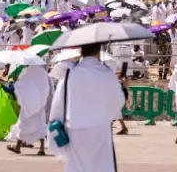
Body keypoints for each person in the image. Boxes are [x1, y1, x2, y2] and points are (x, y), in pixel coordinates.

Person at [48, 42, 127, 172]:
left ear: (81, 52)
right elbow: (118, 102)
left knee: (77, 166)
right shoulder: (106, 73)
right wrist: (124, 88)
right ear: (98, 52)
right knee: (101, 166)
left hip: (75, 128)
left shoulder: (70, 73)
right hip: (100, 130)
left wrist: (54, 125)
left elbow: (59, 102)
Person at [7, 60, 52, 155]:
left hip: (28, 103)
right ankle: (41, 148)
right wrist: (41, 100)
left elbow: (21, 87)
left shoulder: (25, 72)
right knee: (40, 124)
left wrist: (16, 82)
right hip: (40, 103)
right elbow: (46, 87)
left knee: (23, 124)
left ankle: (18, 146)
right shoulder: (42, 72)